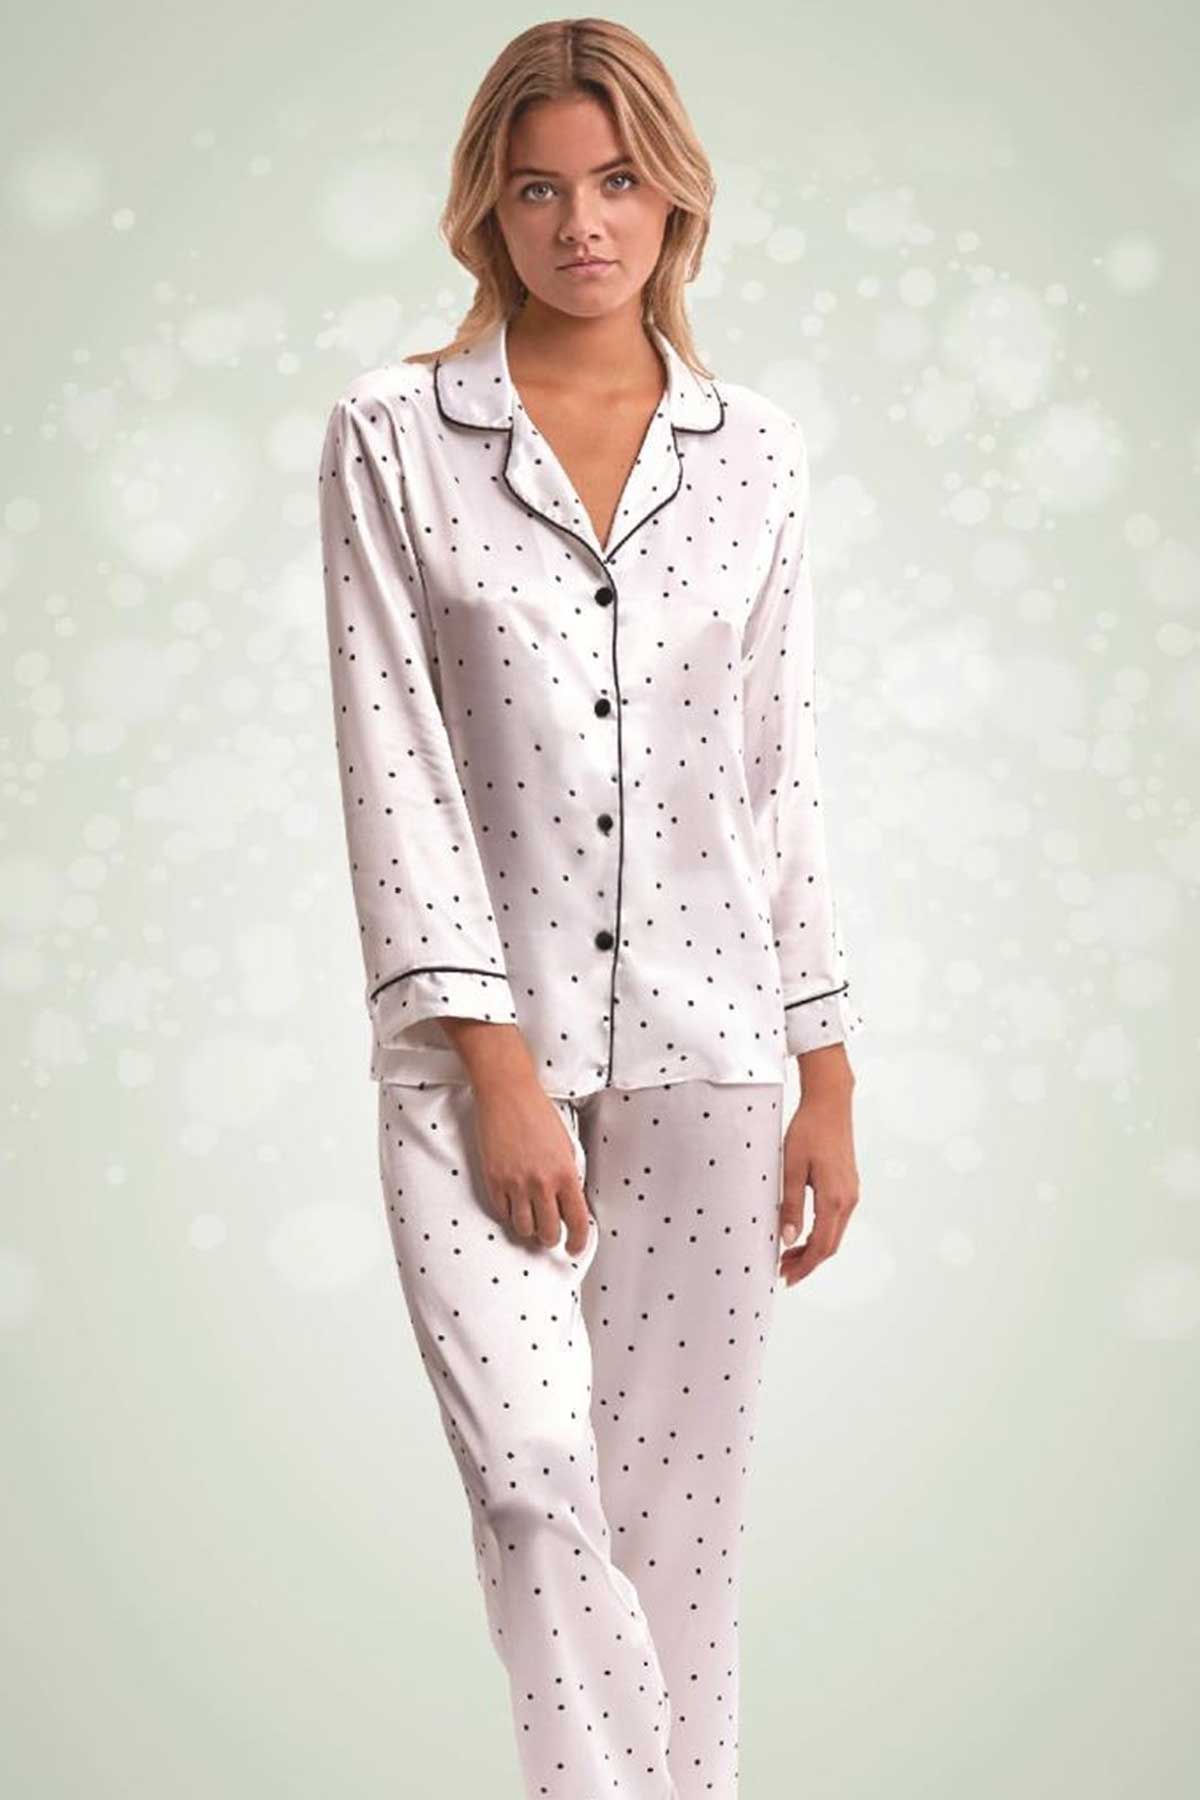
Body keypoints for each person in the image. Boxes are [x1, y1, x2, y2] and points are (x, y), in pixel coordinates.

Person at [317, 19, 864, 1799]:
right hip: (480, 1061)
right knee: (538, 1487)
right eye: (542, 188)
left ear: (673, 196)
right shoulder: (395, 437)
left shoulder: (756, 453)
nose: (584, 224)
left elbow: (778, 768)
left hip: (718, 1054)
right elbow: (392, 755)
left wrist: (829, 1070)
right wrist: (494, 1062)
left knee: (679, 1541)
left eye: (618, 181)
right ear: (489, 207)